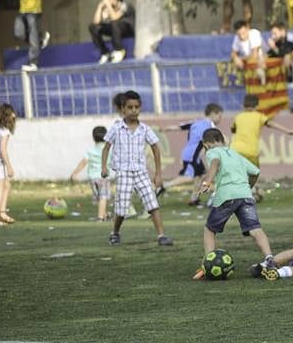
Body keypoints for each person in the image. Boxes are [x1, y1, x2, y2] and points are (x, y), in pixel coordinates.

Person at [195, 128, 274, 278]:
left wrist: (207, 182)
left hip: (227, 196)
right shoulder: (236, 154)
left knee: (210, 229)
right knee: (255, 228)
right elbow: (255, 172)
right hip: (245, 195)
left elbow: (215, 164)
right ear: (223, 141)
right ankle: (269, 258)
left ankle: (208, 263)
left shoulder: (212, 152)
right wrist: (248, 187)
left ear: (206, 145)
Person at [101, 90, 171, 246]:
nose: (133, 110)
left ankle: (161, 236)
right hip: (123, 173)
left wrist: (158, 174)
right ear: (123, 109)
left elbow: (156, 148)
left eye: (136, 107)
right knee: (122, 208)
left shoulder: (144, 129)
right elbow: (106, 148)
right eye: (130, 107)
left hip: (141, 172)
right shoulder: (116, 128)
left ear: (140, 108)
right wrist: (104, 167)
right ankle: (115, 233)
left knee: (152, 203)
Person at [231, 93, 293, 188]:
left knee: (236, 174)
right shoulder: (259, 116)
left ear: (243, 105)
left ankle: (238, 192)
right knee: (255, 173)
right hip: (251, 151)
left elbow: (233, 130)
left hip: (235, 150)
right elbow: (270, 124)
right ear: (257, 105)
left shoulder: (237, 117)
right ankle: (247, 191)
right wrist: (288, 131)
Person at [171, 103, 223, 206]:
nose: (220, 119)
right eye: (220, 116)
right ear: (213, 113)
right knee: (193, 176)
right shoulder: (211, 126)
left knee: (199, 175)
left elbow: (179, 126)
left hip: (187, 153)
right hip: (196, 155)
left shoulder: (196, 122)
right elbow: (213, 142)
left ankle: (194, 198)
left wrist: (164, 129)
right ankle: (164, 185)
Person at [68, 125, 111, 222]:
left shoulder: (90, 150)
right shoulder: (108, 149)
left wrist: (75, 173)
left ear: (93, 138)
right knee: (104, 197)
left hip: (92, 178)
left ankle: (104, 215)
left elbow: (83, 162)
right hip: (103, 177)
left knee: (101, 197)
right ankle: (100, 217)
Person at [16, 0, 47, 71]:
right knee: (18, 32)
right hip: (23, 9)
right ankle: (39, 42)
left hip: (34, 9)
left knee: (32, 32)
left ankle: (33, 62)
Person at [88, 0, 133, 64]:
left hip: (127, 29)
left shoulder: (125, 6)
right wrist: (99, 7)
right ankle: (105, 53)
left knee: (114, 22)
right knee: (93, 27)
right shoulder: (109, 8)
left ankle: (119, 50)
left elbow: (115, 17)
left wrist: (108, 5)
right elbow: (96, 22)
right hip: (115, 30)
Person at [230, 19, 267, 88]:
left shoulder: (254, 34)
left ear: (247, 29)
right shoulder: (237, 37)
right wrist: (235, 58)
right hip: (249, 61)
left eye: (243, 33)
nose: (241, 36)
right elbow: (233, 53)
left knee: (259, 62)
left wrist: (240, 58)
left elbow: (255, 55)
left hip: (263, 58)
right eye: (239, 34)